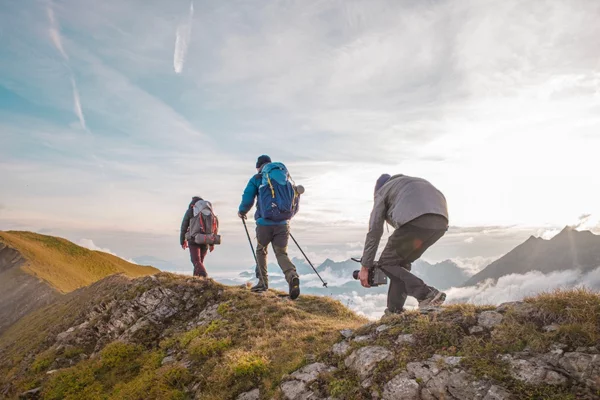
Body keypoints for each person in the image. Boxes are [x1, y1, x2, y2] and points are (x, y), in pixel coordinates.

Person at [359, 174, 449, 314]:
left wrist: (365, 266)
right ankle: (394, 310)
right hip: (440, 223)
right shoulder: (410, 183)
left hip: (416, 222)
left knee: (386, 263)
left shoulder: (382, 191)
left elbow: (374, 231)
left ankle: (427, 294)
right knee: (399, 264)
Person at [238, 155, 301, 299]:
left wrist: (242, 211)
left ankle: (262, 283)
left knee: (261, 250)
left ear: (259, 166)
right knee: (281, 253)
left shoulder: (258, 178)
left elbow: (248, 197)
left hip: (264, 223)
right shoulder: (285, 179)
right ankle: (292, 276)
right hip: (283, 224)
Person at [180, 196, 216, 277]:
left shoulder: (190, 211)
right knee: (200, 262)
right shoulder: (209, 212)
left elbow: (184, 227)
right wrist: (212, 243)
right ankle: (197, 280)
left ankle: (204, 276)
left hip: (193, 240)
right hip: (206, 240)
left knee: (196, 261)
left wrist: (182, 241)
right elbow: (214, 227)